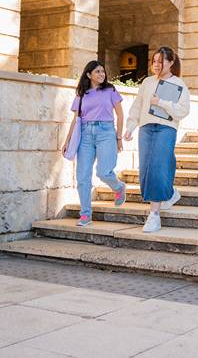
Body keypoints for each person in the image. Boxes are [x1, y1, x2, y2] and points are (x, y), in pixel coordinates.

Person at [123, 46, 190, 233]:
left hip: (166, 128)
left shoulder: (179, 84)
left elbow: (183, 111)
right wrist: (129, 127)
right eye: (154, 61)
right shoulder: (147, 82)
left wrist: (161, 103)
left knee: (158, 166)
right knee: (145, 168)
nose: (156, 65)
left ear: (170, 63)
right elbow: (137, 106)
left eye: (160, 62)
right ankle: (169, 193)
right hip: (146, 127)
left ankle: (154, 215)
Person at [62, 60, 126, 227]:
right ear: (89, 74)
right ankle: (85, 214)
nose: (101, 74)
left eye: (103, 71)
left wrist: (119, 138)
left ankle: (118, 187)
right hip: (85, 135)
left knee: (104, 172)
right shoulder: (82, 94)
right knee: (82, 177)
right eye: (97, 71)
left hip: (106, 133)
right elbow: (75, 119)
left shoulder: (110, 90)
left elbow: (120, 115)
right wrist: (68, 140)